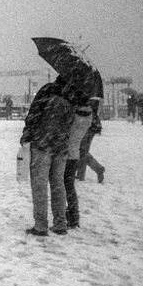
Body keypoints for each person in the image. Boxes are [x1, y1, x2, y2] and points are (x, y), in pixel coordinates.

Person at [20, 77, 74, 236]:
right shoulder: (70, 99)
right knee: (58, 185)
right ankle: (60, 223)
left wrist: (26, 137)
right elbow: (71, 123)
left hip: (42, 144)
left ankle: (41, 225)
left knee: (39, 185)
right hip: (61, 147)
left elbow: (33, 116)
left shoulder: (46, 94)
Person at [63, 96, 93, 229]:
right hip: (74, 155)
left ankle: (64, 214)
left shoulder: (72, 116)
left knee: (61, 186)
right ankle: (74, 215)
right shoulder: (89, 116)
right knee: (70, 186)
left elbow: (65, 130)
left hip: (64, 154)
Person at [76, 97, 105, 183]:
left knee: (82, 151)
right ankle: (81, 173)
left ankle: (95, 170)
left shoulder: (89, 97)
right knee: (82, 151)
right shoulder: (89, 97)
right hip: (88, 125)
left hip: (88, 126)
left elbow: (89, 109)